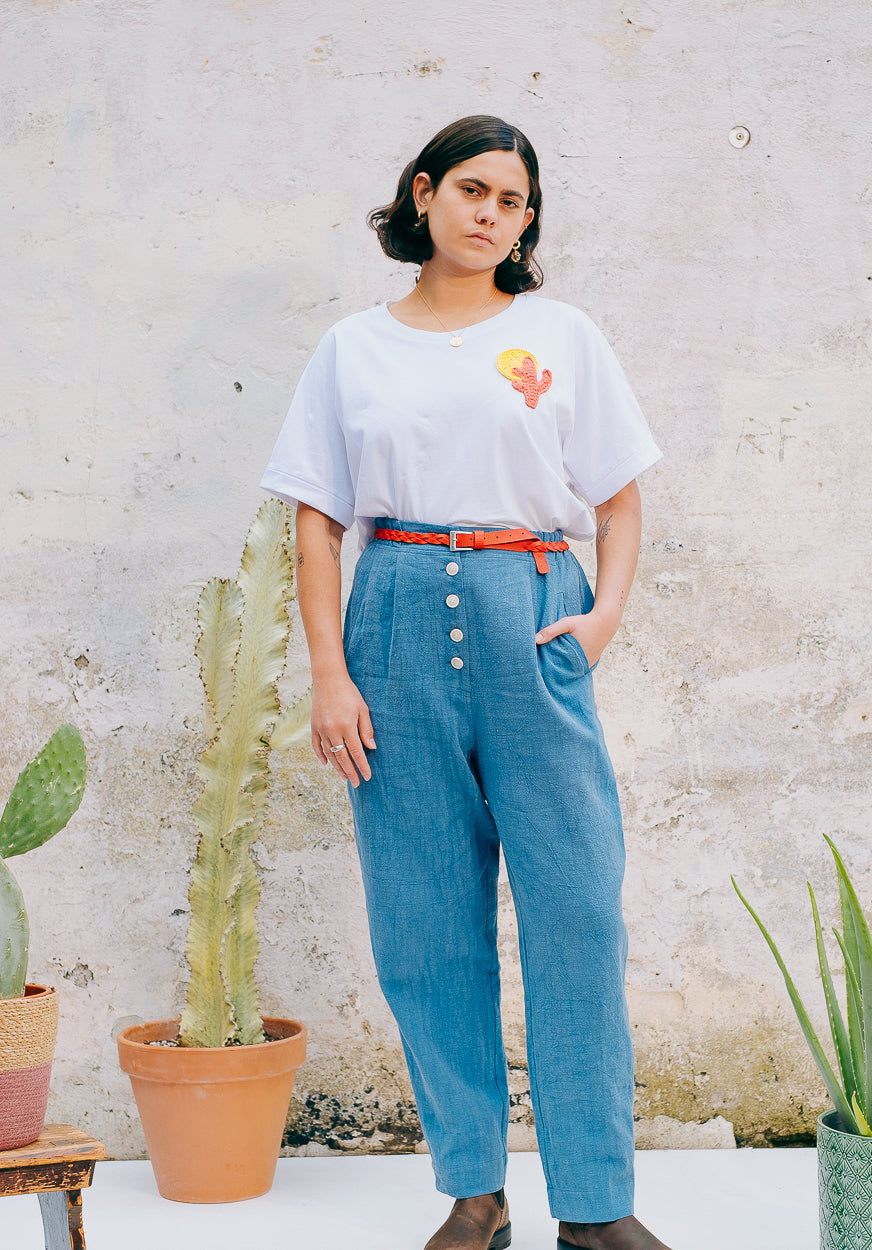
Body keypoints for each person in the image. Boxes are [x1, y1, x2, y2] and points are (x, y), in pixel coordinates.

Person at [261, 115, 668, 1250]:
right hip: (389, 619)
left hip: (532, 609)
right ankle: (474, 1193)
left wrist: (602, 619)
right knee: (426, 927)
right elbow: (315, 520)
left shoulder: (560, 333)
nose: (493, 214)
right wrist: (331, 673)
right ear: (425, 193)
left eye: (515, 202)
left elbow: (622, 493)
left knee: (577, 910)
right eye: (474, 190)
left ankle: (595, 1205)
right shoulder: (353, 347)